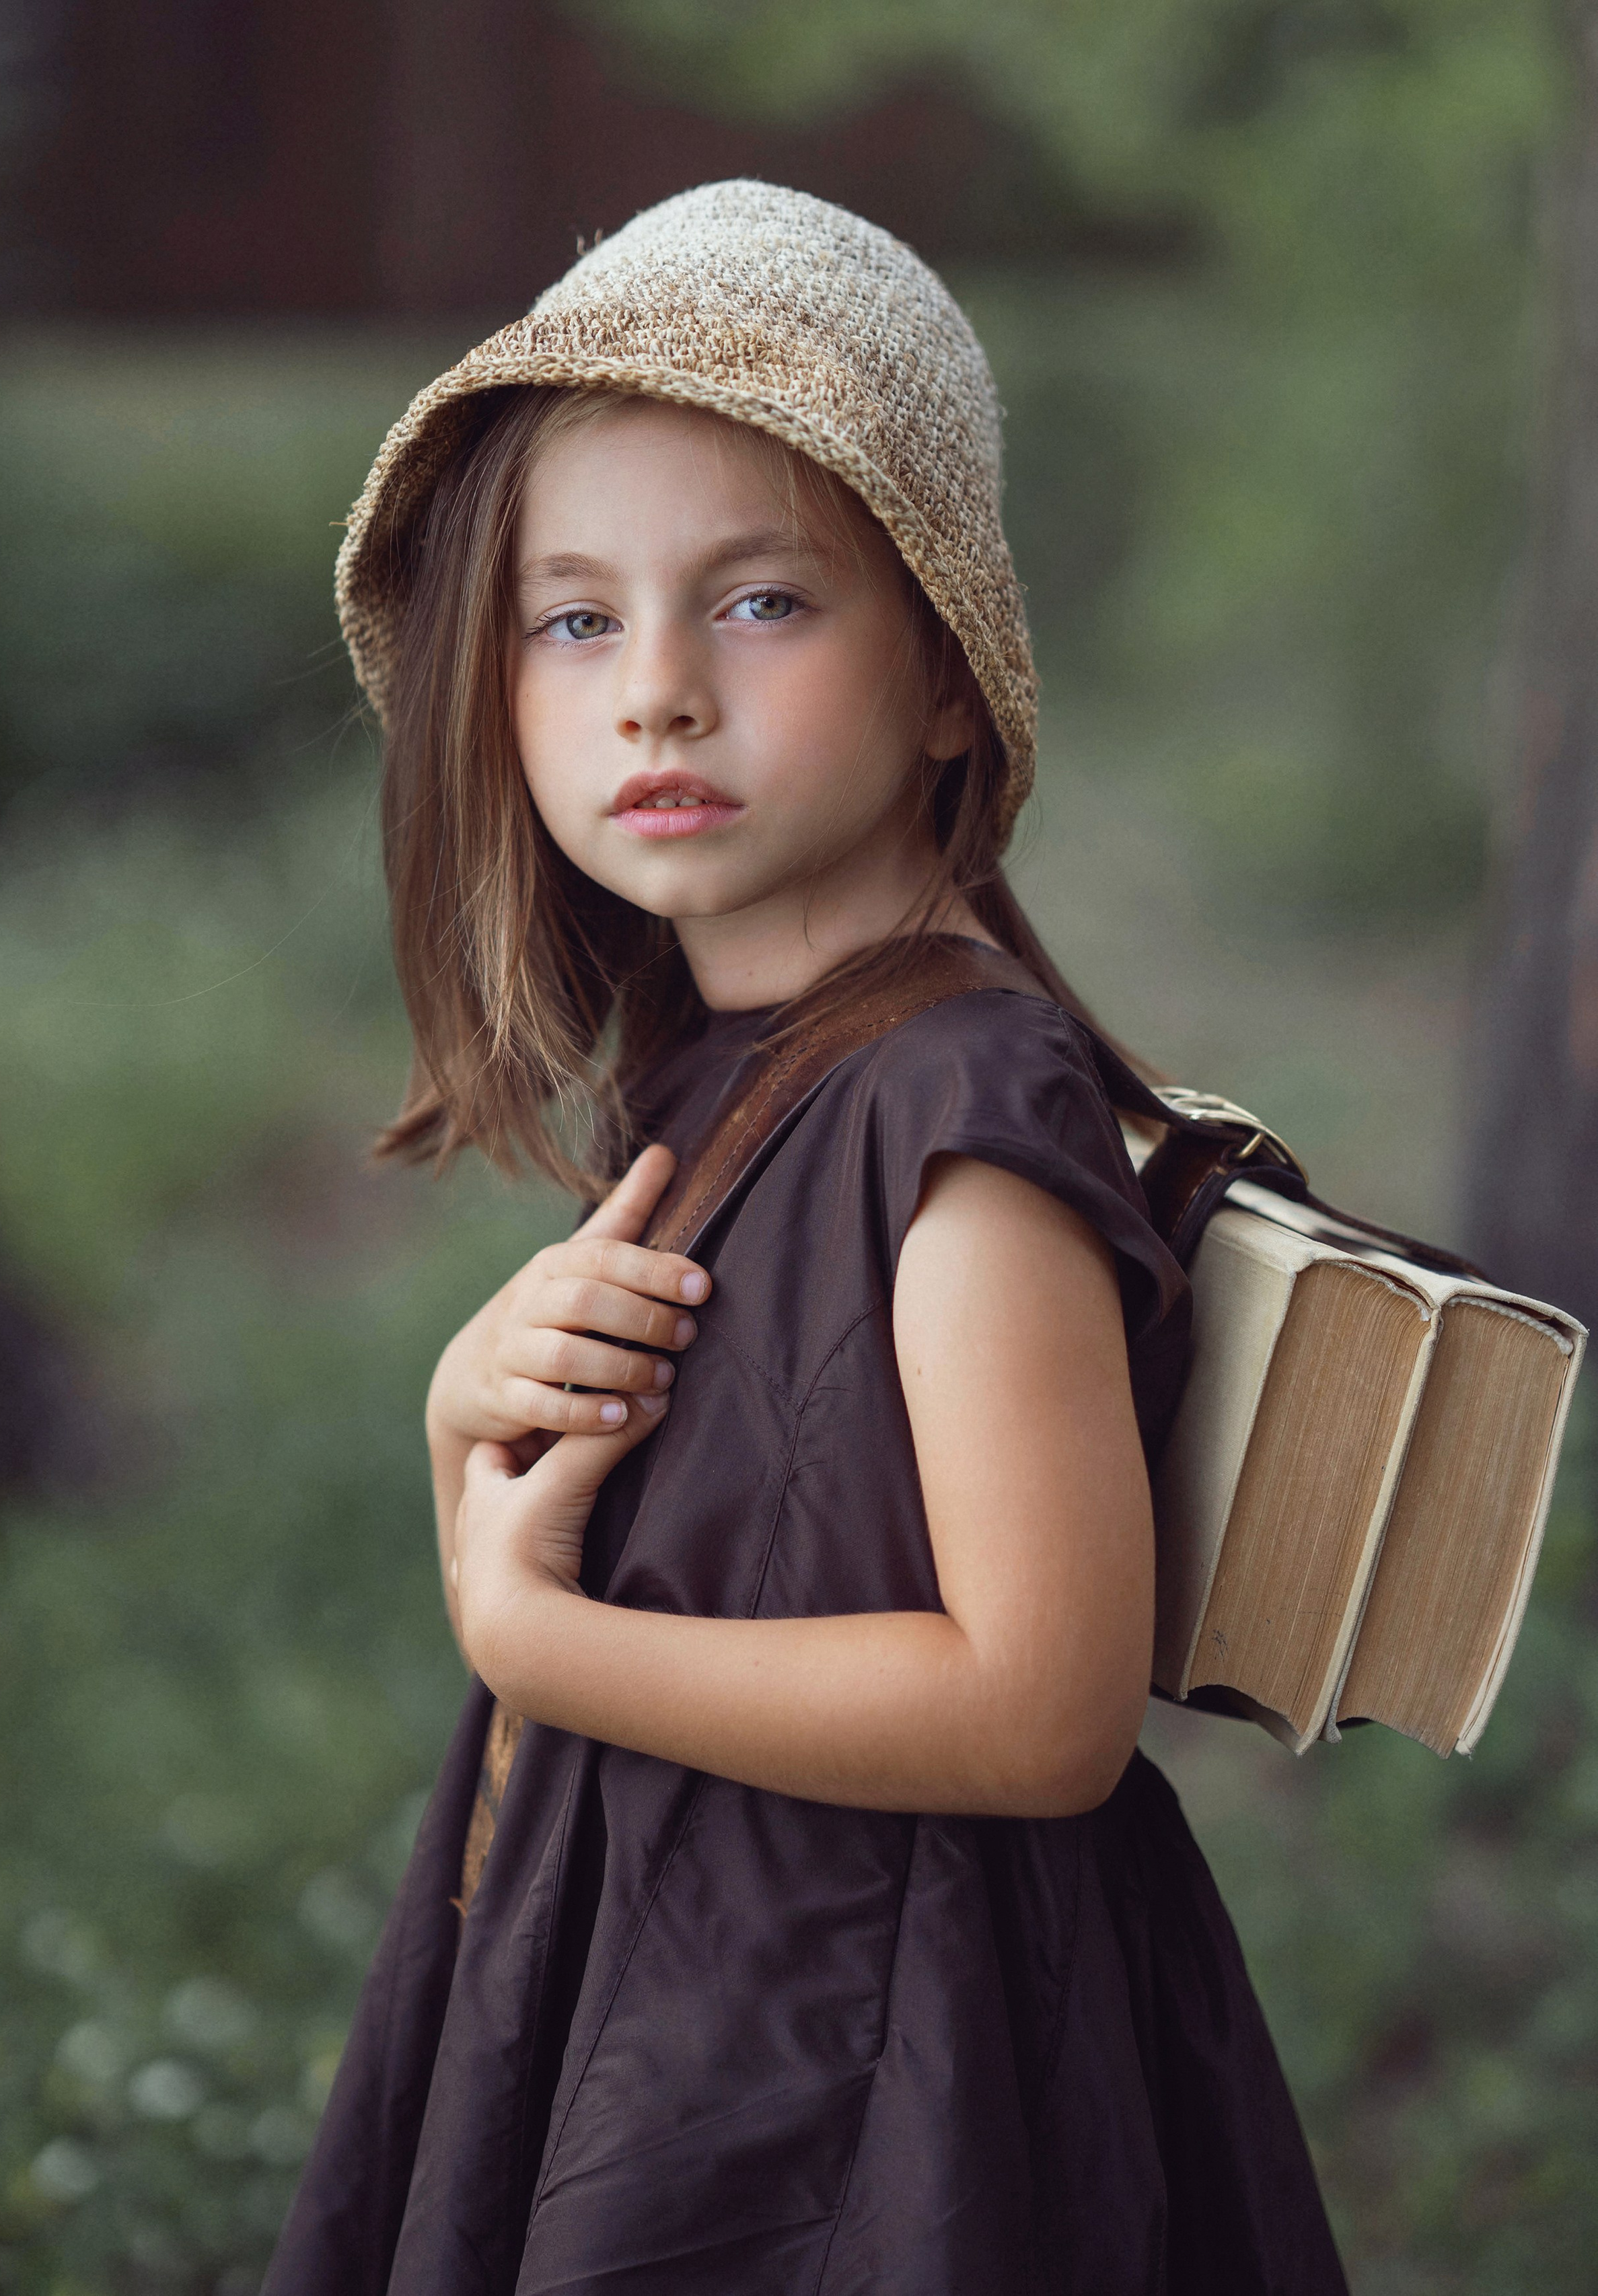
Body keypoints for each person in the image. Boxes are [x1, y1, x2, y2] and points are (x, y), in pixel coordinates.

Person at [264, 181, 1347, 2295]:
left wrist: (535, 1640)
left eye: (759, 604)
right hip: (691, 1989)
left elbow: (1040, 1709)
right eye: (575, 619)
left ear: (950, 677)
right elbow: (675, 1525)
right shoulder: (726, 1057)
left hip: (888, 2078)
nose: (654, 692)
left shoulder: (959, 1115)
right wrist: (462, 1426)